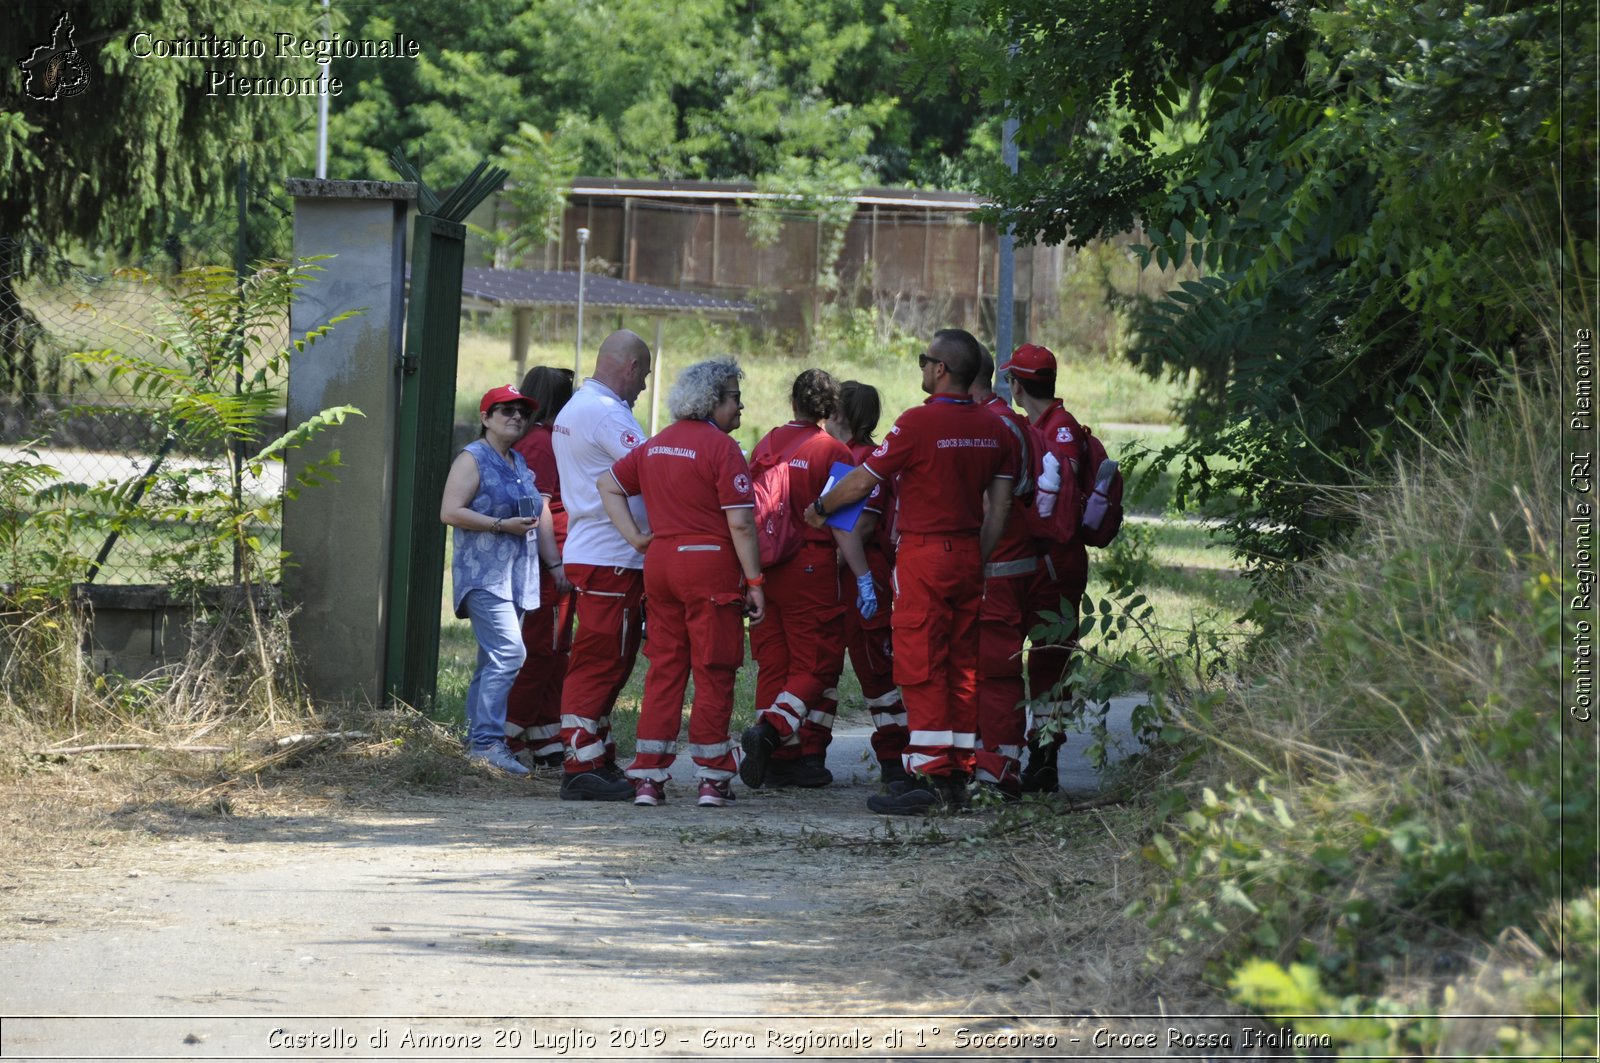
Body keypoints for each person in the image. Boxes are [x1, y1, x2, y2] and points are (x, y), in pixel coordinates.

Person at [805, 328, 1016, 815]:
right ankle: (958, 772)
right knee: (962, 665)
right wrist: (979, 557)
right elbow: (999, 507)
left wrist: (819, 506)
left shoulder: (916, 423)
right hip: (968, 555)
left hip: (924, 556)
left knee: (920, 662)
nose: (922, 368)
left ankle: (926, 775)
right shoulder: (998, 429)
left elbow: (861, 481)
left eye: (925, 360)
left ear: (941, 369)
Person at [598, 358, 764, 807]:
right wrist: (755, 581)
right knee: (713, 669)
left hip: (662, 563)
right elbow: (742, 525)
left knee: (665, 670)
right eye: (734, 396)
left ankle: (648, 778)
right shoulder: (721, 448)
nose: (741, 405)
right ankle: (713, 778)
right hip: (708, 567)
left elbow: (607, 484)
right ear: (712, 401)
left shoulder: (656, 444)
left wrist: (636, 538)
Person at [739, 369, 874, 791]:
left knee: (774, 665)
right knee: (818, 663)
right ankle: (771, 732)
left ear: (792, 401)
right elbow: (843, 527)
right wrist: (863, 576)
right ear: (830, 408)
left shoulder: (768, 442)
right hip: (811, 567)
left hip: (766, 568)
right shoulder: (834, 452)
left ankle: (781, 760)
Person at [440, 385, 570, 776]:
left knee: (492, 659)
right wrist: (500, 525)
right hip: (483, 576)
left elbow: (540, 515)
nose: (515, 416)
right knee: (510, 654)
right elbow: (450, 511)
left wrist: (555, 566)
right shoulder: (472, 458)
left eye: (521, 411)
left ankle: (475, 740)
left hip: (516, 578)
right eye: (504, 410)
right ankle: (487, 744)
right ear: (485, 418)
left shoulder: (517, 462)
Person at [551, 330, 654, 801]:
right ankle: (580, 761)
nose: (645, 387)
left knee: (610, 656)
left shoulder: (578, 407)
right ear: (630, 367)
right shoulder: (609, 414)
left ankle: (595, 754)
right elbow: (653, 468)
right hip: (611, 554)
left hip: (596, 550)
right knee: (602, 659)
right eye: (645, 375)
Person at [1005, 343, 1090, 792]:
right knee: (1042, 660)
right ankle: (1033, 756)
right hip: (1050, 560)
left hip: (1051, 560)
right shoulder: (1052, 426)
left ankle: (1043, 758)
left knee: (1048, 662)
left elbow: (1055, 515)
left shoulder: (1057, 432)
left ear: (1018, 385)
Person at [823, 380, 909, 785]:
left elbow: (863, 525)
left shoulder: (868, 459)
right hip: (835, 574)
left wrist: (829, 568)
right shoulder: (833, 454)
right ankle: (806, 752)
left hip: (861, 575)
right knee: (821, 665)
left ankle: (896, 755)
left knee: (875, 668)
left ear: (843, 413)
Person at [969, 347, 1045, 800]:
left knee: (995, 670)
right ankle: (989, 762)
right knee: (984, 668)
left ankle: (998, 768)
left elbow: (990, 504)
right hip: (1007, 564)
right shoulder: (1012, 423)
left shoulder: (991, 425)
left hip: (994, 566)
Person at [504, 365, 576, 768]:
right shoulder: (542, 444)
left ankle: (545, 732)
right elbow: (541, 507)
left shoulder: (542, 441)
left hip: (557, 560)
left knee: (555, 649)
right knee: (540, 650)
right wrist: (554, 565)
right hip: (549, 565)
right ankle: (510, 732)